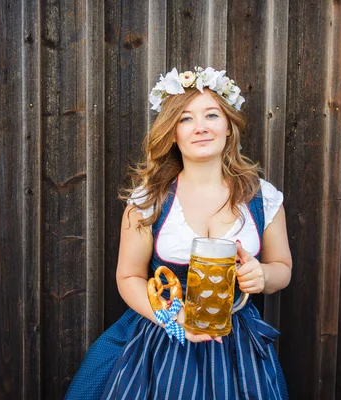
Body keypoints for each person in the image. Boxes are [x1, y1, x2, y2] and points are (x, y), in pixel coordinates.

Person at [65, 67, 292, 399]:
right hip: (160, 337)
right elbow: (128, 277)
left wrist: (262, 275)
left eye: (211, 115)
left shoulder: (262, 198)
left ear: (228, 126)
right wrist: (174, 318)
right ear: (172, 133)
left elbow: (282, 268)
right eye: (185, 119)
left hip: (237, 343)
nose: (200, 127)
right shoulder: (149, 200)